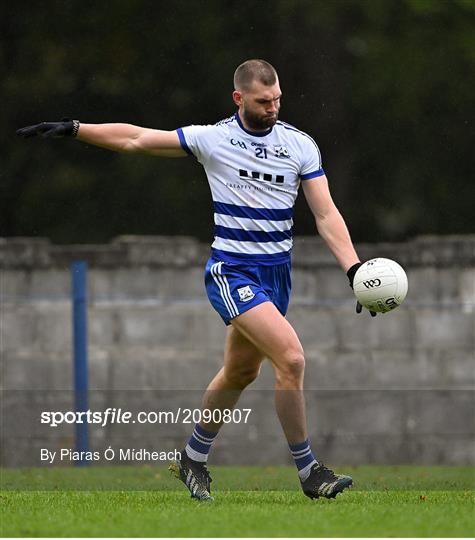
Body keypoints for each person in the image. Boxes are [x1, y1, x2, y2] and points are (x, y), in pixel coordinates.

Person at [17, 59, 375, 502]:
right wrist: (76, 128)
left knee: (240, 372)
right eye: (264, 102)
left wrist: (354, 269)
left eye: (278, 99)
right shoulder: (213, 139)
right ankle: (310, 472)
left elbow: (325, 213)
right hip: (232, 272)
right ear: (239, 99)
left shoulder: (299, 145)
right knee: (292, 359)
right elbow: (136, 139)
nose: (274, 108)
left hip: (276, 275)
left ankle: (192, 457)